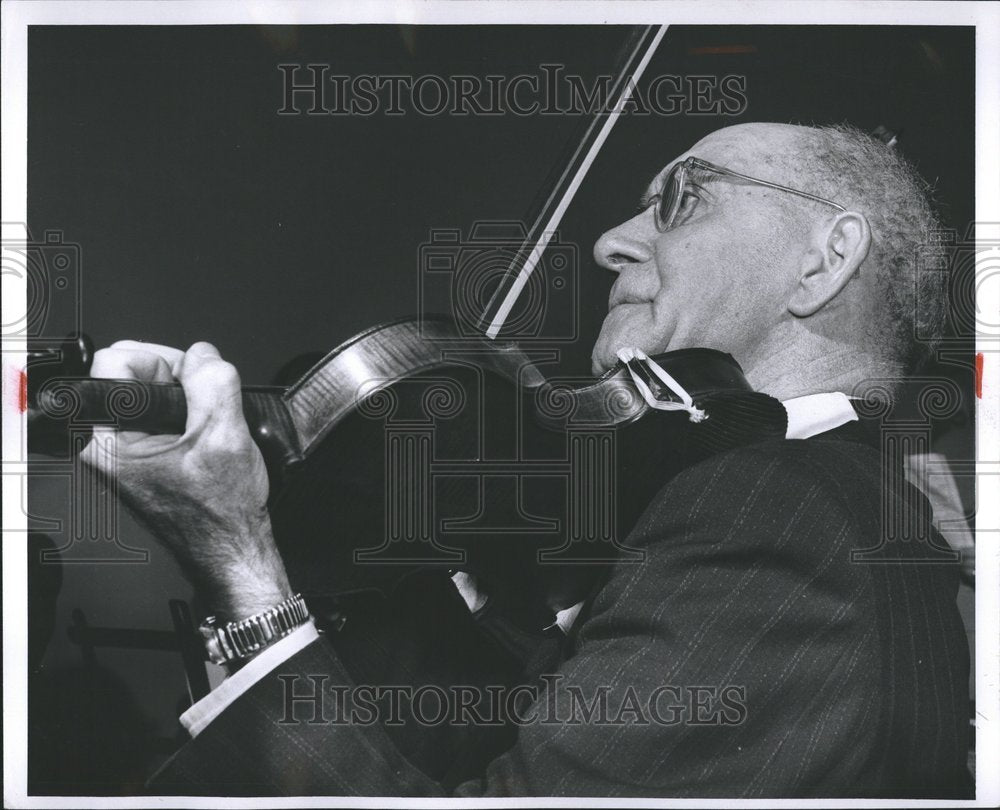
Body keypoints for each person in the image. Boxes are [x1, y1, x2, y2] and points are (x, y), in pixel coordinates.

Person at [81, 122, 971, 797]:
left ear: (824, 261)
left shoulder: (780, 511)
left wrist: (241, 571)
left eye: (680, 197)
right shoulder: (845, 515)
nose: (610, 242)